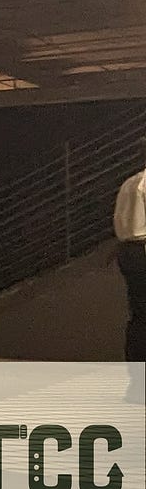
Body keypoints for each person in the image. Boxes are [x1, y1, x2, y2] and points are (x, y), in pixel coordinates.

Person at [113, 139, 146, 404]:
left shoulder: (130, 183)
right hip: (142, 250)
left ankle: (137, 384)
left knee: (139, 317)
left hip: (128, 251)